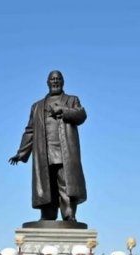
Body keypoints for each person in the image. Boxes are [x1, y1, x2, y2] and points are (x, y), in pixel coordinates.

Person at [9, 70, 87, 221]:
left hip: (66, 151)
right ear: (47, 82)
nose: (55, 81)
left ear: (63, 81)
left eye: (58, 78)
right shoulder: (37, 106)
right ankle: (47, 215)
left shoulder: (72, 100)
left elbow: (81, 115)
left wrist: (63, 111)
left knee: (66, 184)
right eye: (52, 79)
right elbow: (30, 130)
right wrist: (21, 152)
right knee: (47, 185)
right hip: (44, 152)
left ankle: (69, 214)